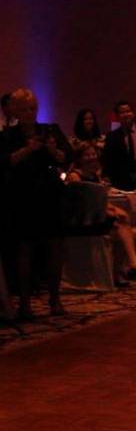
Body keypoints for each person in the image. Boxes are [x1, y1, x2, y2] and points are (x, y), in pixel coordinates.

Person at [0, 89, 70, 318]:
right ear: (15, 111)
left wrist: (51, 149)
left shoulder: (50, 130)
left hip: (50, 194)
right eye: (24, 109)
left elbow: (66, 158)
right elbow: (5, 162)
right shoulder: (8, 136)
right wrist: (27, 150)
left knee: (54, 247)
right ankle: (25, 302)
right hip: (22, 196)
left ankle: (55, 298)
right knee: (24, 250)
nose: (29, 113)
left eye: (32, 108)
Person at [66, 142, 136, 283]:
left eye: (93, 154)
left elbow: (100, 200)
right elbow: (80, 203)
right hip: (83, 219)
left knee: (122, 219)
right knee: (118, 226)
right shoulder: (75, 176)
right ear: (79, 158)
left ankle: (125, 268)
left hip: (96, 214)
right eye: (87, 155)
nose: (91, 157)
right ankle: (128, 267)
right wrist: (107, 210)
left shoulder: (95, 176)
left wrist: (110, 209)